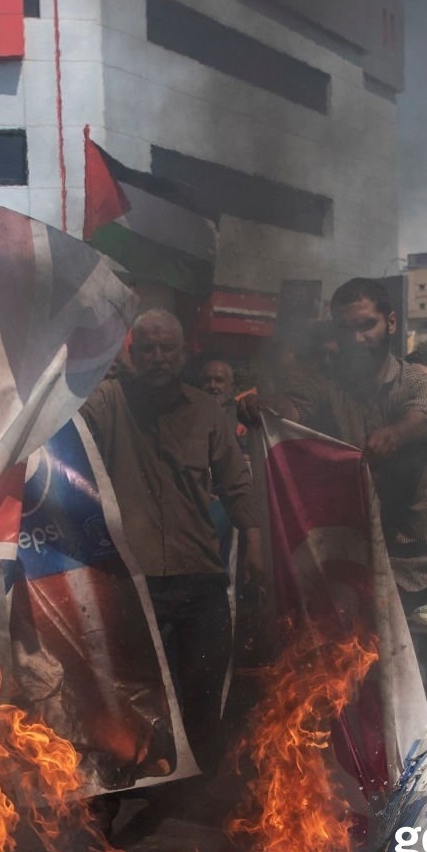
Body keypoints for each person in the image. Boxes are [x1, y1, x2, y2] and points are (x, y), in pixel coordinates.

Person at [282, 277, 427, 792]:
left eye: (368, 325)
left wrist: (393, 437)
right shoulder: (324, 383)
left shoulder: (417, 384)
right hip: (355, 574)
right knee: (362, 699)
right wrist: (268, 413)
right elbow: (290, 408)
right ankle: (389, 813)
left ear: (391, 324)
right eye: (346, 328)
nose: (357, 339)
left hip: (421, 571)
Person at [82, 311, 261, 772]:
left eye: (167, 350)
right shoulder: (108, 402)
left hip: (199, 581)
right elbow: (67, 429)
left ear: (184, 355)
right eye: (148, 350)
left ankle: (193, 801)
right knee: (132, 700)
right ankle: (131, 792)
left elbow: (237, 484)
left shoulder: (206, 412)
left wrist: (256, 544)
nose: (158, 359)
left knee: (202, 698)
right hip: (132, 583)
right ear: (132, 354)